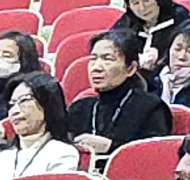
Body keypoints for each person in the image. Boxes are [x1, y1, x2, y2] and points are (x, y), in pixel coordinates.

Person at [62, 29, 171, 158]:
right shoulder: (79, 108)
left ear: (131, 68)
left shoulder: (151, 107)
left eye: (107, 59)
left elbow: (153, 157)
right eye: (93, 59)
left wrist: (110, 146)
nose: (96, 67)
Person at [0, 70, 88, 180]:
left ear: (47, 104)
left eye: (24, 101)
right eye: (12, 104)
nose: (15, 111)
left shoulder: (62, 153)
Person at [113, 0, 190, 69]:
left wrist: (161, 58)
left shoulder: (178, 17)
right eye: (135, 3)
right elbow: (110, 48)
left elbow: (186, 51)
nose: (142, 8)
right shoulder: (127, 23)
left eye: (146, 0)